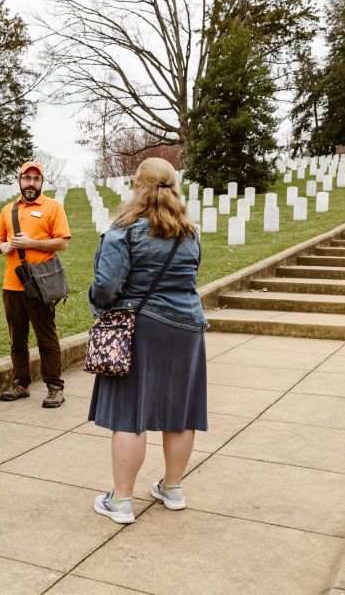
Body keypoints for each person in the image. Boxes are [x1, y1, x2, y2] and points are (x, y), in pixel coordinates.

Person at [87, 157, 208, 525]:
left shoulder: (123, 231)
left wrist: (96, 303)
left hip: (141, 328)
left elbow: (107, 286)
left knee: (130, 414)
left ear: (137, 186)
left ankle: (121, 501)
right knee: (181, 412)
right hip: (187, 328)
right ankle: (172, 488)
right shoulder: (190, 233)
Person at [0, 160, 72, 408]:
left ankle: (54, 387)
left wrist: (31, 242)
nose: (31, 183)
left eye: (36, 179)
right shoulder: (8, 210)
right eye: (27, 178)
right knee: (17, 339)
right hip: (12, 284)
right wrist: (2, 246)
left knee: (46, 338)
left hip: (40, 285)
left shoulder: (53, 208)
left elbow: (62, 243)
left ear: (42, 183)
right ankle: (21, 383)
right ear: (19, 180)